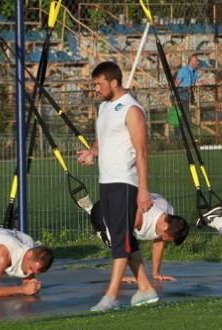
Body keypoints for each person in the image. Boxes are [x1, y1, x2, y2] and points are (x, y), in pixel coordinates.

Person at [76, 61, 157, 312]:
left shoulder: (132, 109)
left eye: (99, 84)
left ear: (113, 82)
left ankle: (110, 297)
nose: (96, 89)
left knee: (119, 240)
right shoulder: (103, 107)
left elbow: (142, 152)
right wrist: (92, 152)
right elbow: (103, 141)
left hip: (125, 182)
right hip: (106, 180)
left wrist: (143, 189)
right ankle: (145, 288)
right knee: (122, 237)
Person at [89, 193, 190, 282]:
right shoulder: (141, 218)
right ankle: (90, 208)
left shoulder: (168, 210)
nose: (163, 239)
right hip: (102, 214)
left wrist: (156, 274)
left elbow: (158, 243)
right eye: (166, 237)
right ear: (165, 225)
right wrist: (120, 276)